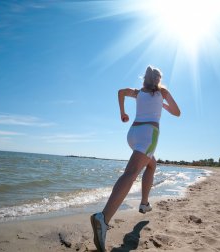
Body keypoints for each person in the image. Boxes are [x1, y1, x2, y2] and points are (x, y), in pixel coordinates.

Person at [90, 66, 181, 252]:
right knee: (131, 174)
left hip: (133, 134)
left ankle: (144, 203)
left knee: (151, 165)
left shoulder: (138, 92)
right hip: (149, 134)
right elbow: (177, 112)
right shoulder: (162, 92)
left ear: (145, 78)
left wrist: (122, 113)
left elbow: (120, 92)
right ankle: (103, 218)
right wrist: (163, 103)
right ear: (158, 79)